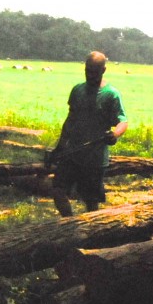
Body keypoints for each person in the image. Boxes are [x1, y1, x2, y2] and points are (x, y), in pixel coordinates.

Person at [51, 51, 128, 217]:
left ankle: (92, 235)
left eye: (94, 71)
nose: (90, 75)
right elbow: (70, 120)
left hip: (94, 160)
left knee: (91, 202)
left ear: (103, 70)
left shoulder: (111, 94)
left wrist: (115, 134)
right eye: (88, 70)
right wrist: (59, 147)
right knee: (58, 190)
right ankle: (69, 225)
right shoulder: (77, 90)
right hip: (72, 154)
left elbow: (123, 121)